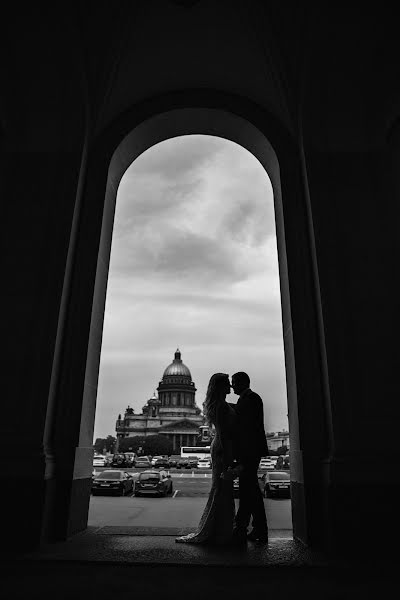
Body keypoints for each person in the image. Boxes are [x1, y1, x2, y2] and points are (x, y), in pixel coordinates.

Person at [175, 373, 239, 545]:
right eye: (227, 383)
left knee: (222, 489)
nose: (231, 387)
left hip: (220, 447)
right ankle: (218, 530)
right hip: (222, 450)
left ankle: (221, 529)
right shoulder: (220, 407)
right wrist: (229, 459)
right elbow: (225, 434)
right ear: (220, 386)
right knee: (221, 489)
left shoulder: (220, 405)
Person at [230, 371, 269, 544]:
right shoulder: (247, 398)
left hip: (249, 451)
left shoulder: (251, 398)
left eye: (234, 383)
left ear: (242, 383)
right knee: (249, 491)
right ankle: (248, 527)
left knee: (250, 491)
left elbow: (244, 425)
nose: (232, 386)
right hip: (249, 451)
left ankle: (252, 528)